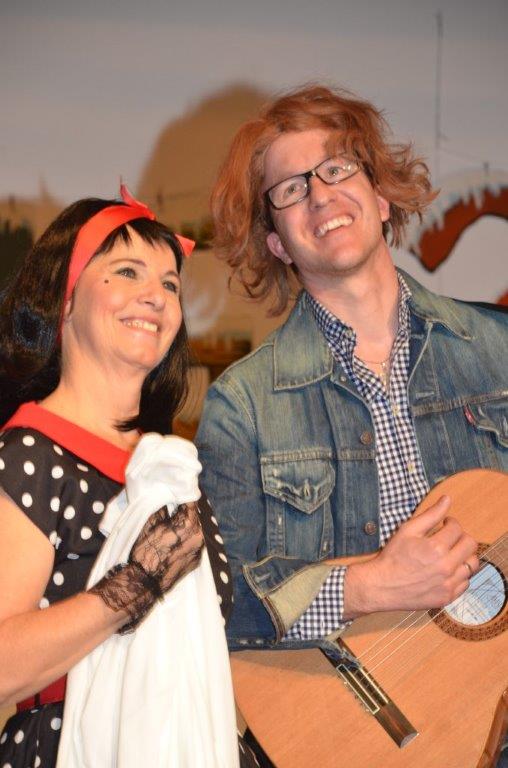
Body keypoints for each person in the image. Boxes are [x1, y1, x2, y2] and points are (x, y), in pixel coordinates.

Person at [195, 85, 508, 763]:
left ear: (381, 195)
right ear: (276, 241)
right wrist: (368, 586)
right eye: (290, 188)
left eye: (337, 167)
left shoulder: (500, 349)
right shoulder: (242, 406)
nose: (320, 194)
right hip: (361, 738)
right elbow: (213, 606)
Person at [0, 193, 258, 767]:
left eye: (170, 284)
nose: (156, 296)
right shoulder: (28, 453)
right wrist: (132, 588)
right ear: (65, 297)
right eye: (126, 272)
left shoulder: (173, 468)